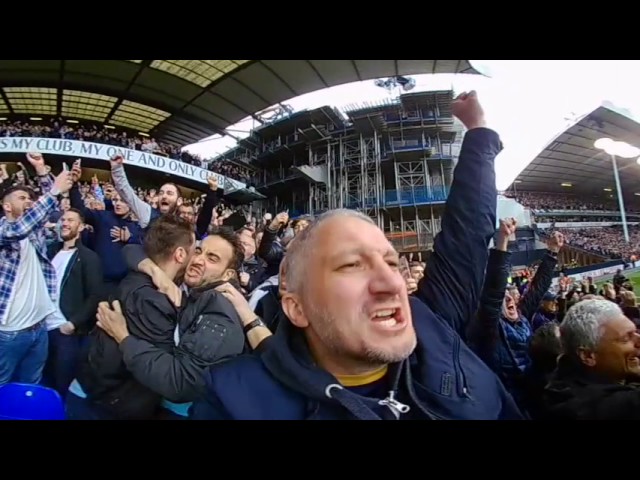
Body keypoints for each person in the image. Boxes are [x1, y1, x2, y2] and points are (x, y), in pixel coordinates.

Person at [190, 91, 524, 420]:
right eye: (352, 265)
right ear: (297, 307)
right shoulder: (235, 401)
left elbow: (465, 236)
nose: (390, 282)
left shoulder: (433, 322)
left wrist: (478, 131)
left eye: (391, 262)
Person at [543, 299, 640, 420]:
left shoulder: (565, 380)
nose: (638, 341)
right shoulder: (616, 407)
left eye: (636, 332)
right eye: (626, 338)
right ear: (588, 356)